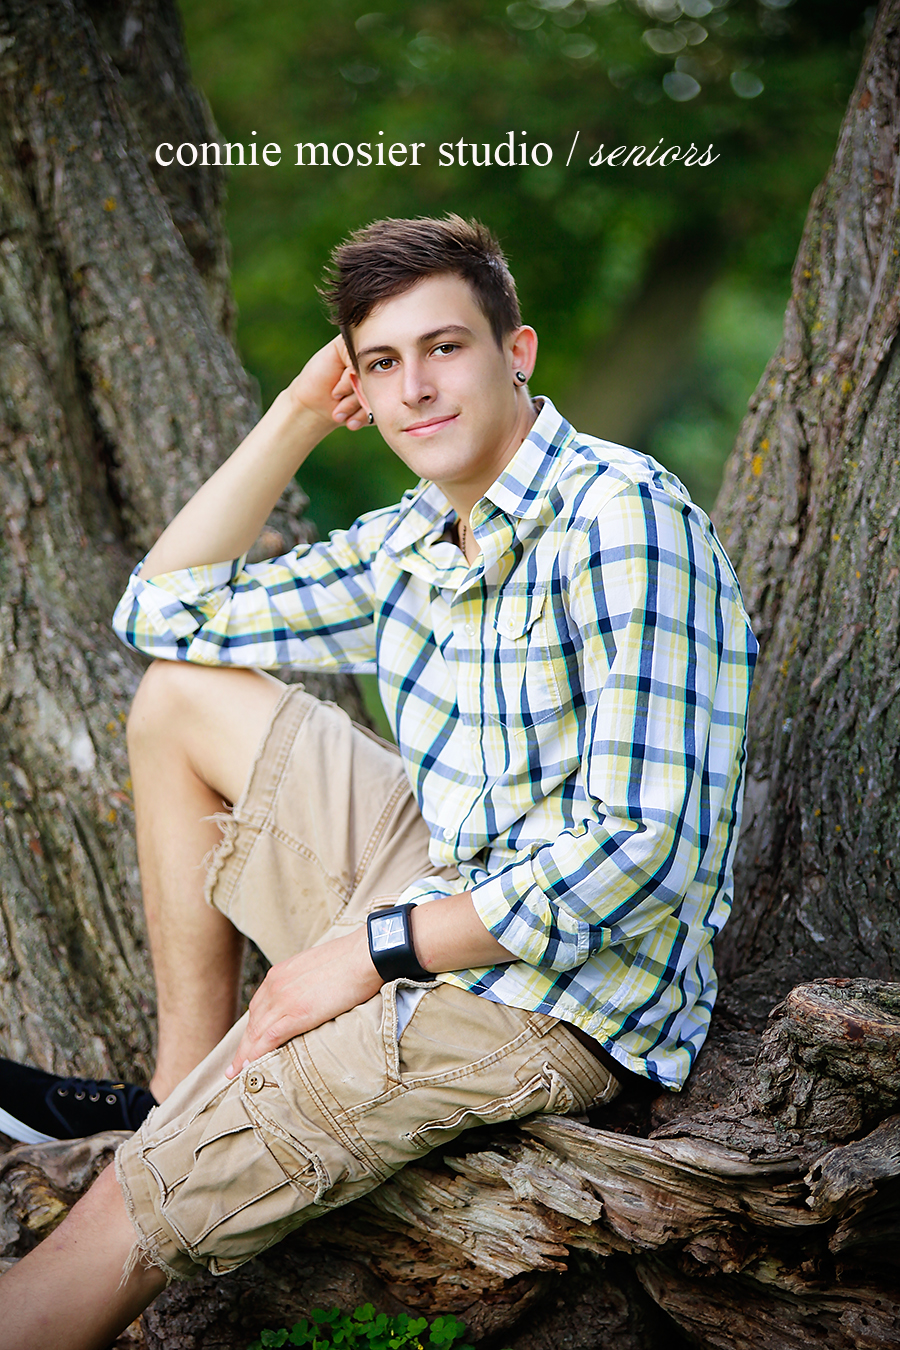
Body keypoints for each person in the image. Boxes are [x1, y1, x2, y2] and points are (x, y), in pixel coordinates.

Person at [0, 215, 756, 1348]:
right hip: (442, 876)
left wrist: (369, 951)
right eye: (382, 363)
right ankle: (172, 1094)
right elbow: (160, 613)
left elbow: (639, 857)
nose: (416, 389)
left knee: (129, 1212)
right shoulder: (415, 538)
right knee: (179, 697)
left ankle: (166, 1159)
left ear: (517, 352)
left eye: (444, 348)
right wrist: (301, 412)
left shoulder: (621, 518)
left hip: (561, 994)